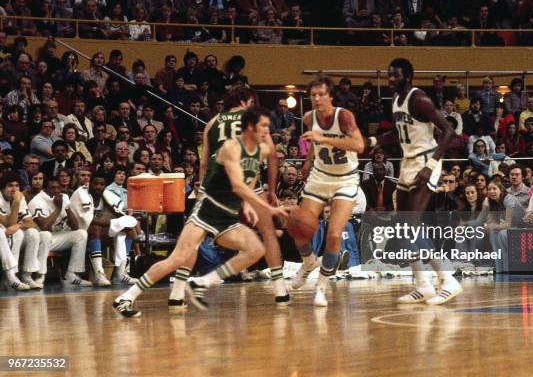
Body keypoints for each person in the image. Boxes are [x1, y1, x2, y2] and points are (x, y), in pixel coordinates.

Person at [113, 107, 287, 317]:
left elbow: (256, 173)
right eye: (263, 127)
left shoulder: (260, 150)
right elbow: (238, 186)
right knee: (177, 259)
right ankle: (127, 297)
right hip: (207, 210)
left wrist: (249, 204)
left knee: (256, 249)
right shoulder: (230, 148)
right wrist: (268, 207)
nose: (267, 132)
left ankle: (203, 282)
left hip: (228, 216)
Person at [166, 87, 289, 308]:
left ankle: (177, 293)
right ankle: (280, 290)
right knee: (267, 232)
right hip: (247, 184)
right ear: (247, 101)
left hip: (214, 187)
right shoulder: (253, 119)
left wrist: (203, 190)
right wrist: (271, 190)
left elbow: (203, 162)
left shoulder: (213, 122)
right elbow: (272, 155)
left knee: (192, 241)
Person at [366, 58, 462, 305]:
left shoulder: (420, 99)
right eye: (388, 75)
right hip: (408, 161)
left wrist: (431, 166)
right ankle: (423, 285)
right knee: (402, 226)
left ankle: (448, 279)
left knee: (410, 224)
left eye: (395, 75)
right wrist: (371, 142)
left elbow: (449, 132)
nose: (390, 79)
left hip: (426, 161)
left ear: (408, 77)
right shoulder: (396, 102)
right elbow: (397, 135)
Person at [286, 75, 364, 307]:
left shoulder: (344, 116)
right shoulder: (310, 117)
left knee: (333, 235)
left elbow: (359, 145)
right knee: (297, 226)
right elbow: (314, 143)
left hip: (345, 179)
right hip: (320, 177)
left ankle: (321, 287)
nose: (317, 99)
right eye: (313, 95)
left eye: (321, 94)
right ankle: (309, 262)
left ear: (330, 96)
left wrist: (325, 137)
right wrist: (308, 161)